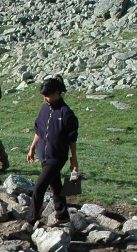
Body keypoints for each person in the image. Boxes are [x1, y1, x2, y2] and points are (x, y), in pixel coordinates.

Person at [25, 76, 79, 225]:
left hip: (56, 157)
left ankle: (31, 219)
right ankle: (62, 215)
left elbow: (72, 139)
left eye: (47, 95)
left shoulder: (66, 113)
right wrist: (32, 147)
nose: (45, 99)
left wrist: (73, 159)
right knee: (56, 185)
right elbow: (39, 130)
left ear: (57, 93)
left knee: (39, 187)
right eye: (44, 96)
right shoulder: (44, 109)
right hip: (44, 155)